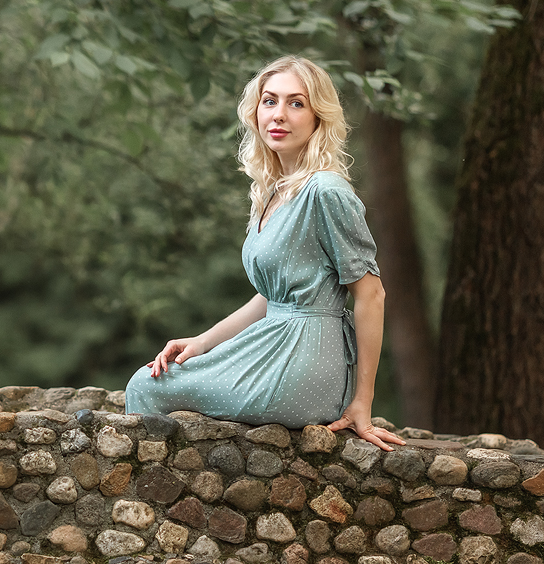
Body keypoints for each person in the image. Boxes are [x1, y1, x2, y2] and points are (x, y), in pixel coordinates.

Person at [125, 55, 404, 452]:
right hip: (273, 341)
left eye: (296, 103)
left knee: (146, 386)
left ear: (318, 117)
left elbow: (371, 294)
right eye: (270, 101)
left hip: (306, 360)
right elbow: (271, 297)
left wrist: (363, 401)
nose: (279, 114)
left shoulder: (325, 191)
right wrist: (202, 342)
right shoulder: (273, 191)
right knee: (152, 380)